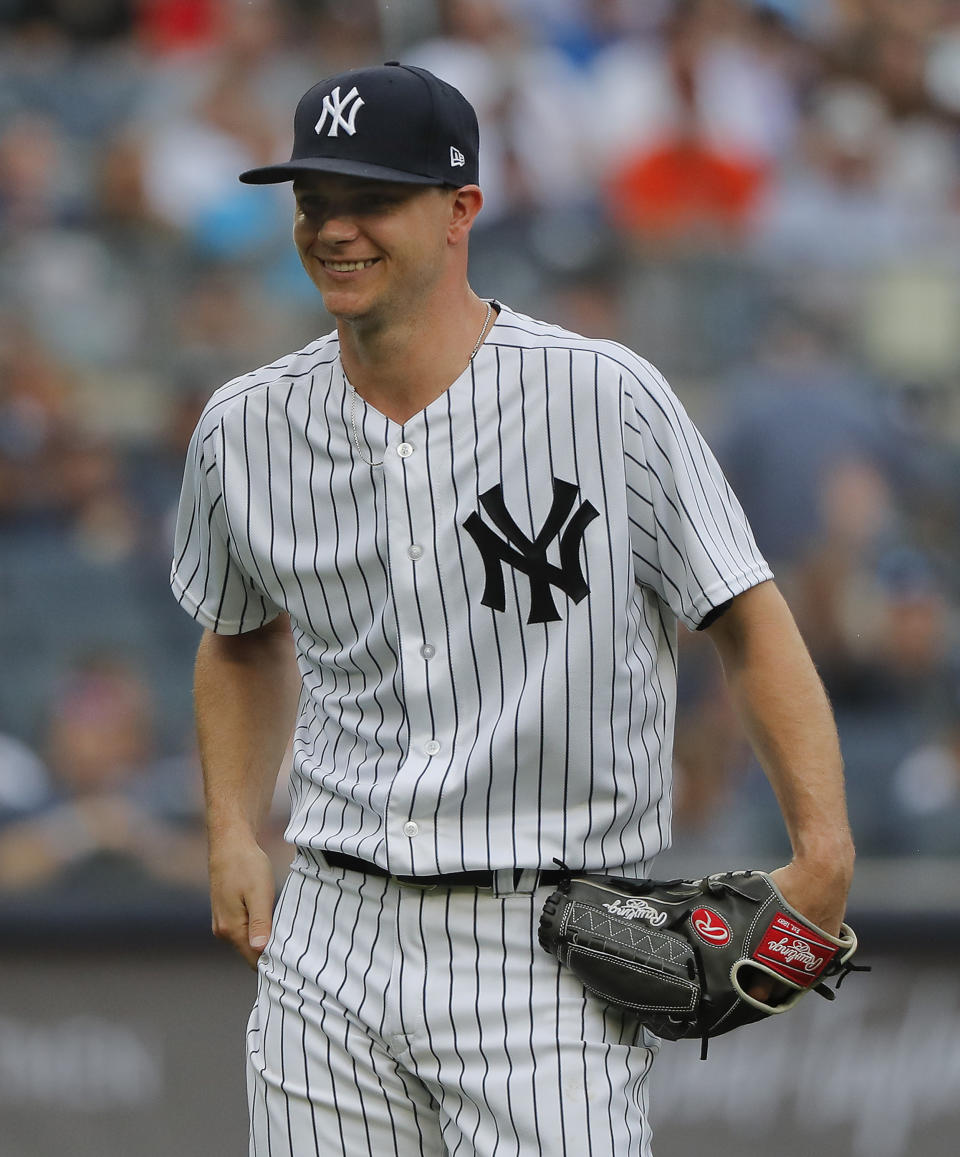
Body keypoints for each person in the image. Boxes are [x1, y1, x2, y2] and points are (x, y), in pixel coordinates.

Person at [170, 62, 855, 1157]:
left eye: (369, 201)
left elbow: (746, 617)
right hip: (328, 928)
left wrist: (823, 851)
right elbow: (240, 635)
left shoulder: (605, 396)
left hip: (546, 942)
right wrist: (230, 829)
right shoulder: (245, 425)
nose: (334, 229)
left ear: (460, 212)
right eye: (314, 202)